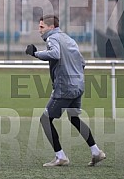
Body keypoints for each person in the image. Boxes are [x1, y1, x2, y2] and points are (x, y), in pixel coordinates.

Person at [25, 15, 106, 167]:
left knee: (45, 119)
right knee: (74, 118)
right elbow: (82, 62)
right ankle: (96, 152)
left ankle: (60, 156)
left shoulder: (52, 38)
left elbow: (55, 54)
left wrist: (35, 54)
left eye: (42, 27)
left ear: (51, 27)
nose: (39, 30)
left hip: (65, 89)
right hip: (78, 86)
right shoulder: (69, 39)